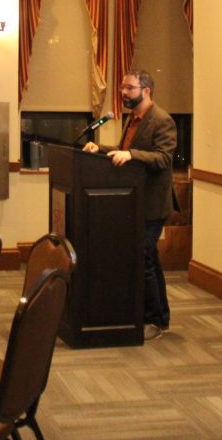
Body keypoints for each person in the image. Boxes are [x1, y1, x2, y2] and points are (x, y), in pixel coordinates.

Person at [84, 70, 177, 340]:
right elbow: (124, 149)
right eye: (123, 87)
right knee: (150, 259)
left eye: (129, 88)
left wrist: (130, 154)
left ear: (146, 90)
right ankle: (160, 316)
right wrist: (100, 149)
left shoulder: (162, 120)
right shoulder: (133, 119)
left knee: (144, 258)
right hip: (134, 200)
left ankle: (153, 320)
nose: (124, 92)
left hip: (152, 203)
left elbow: (162, 158)